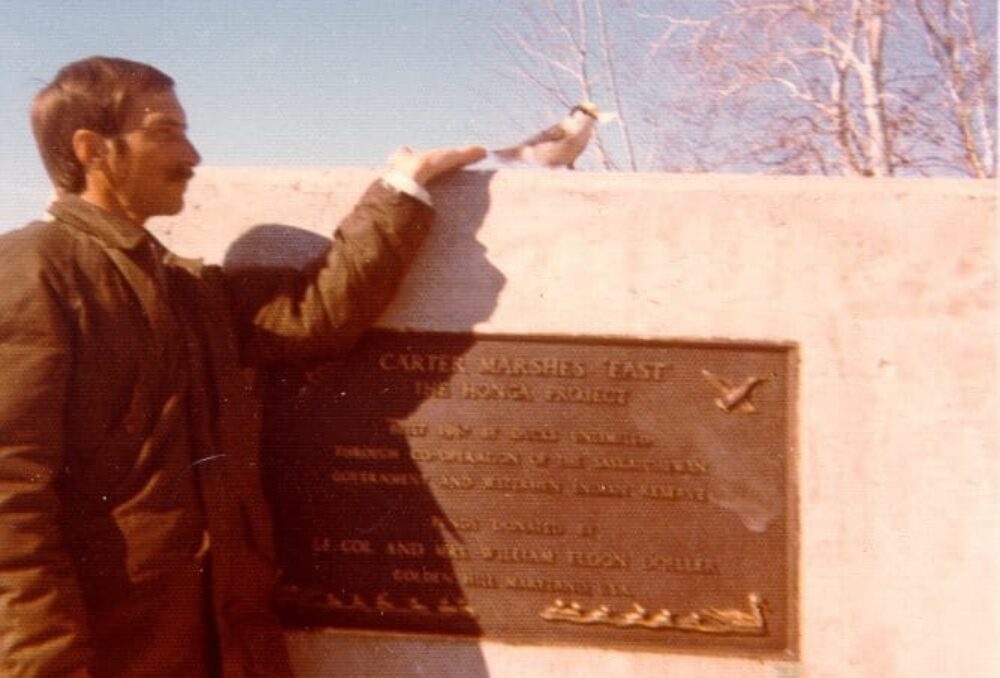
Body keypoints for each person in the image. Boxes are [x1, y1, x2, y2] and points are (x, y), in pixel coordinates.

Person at [0, 56, 485, 678]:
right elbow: (10, 499)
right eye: (166, 131)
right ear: (93, 149)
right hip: (117, 654)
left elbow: (313, 313)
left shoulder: (180, 286)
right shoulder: (34, 272)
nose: (193, 154)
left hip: (218, 642)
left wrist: (402, 189)